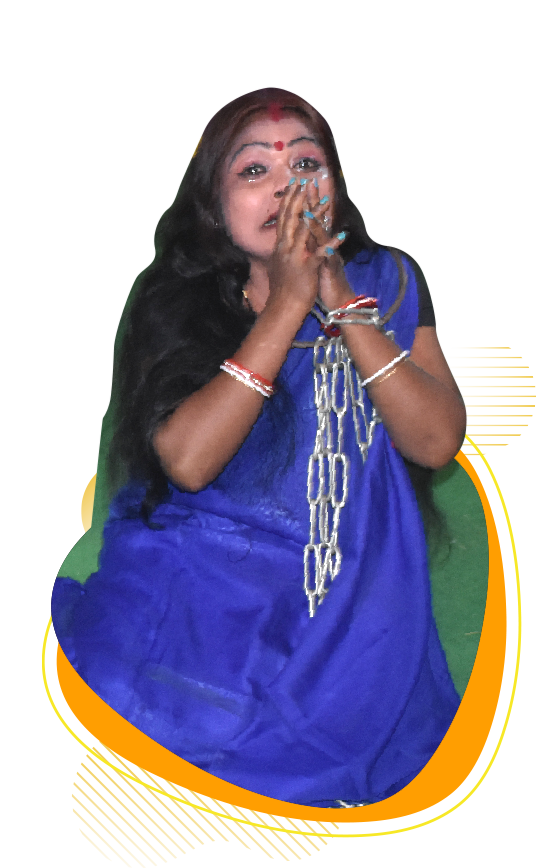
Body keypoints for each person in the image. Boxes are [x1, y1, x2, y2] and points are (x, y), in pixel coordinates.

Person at [51, 95, 489, 810]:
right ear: (214, 207)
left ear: (335, 188)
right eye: (255, 170)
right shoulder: (177, 300)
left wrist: (341, 301)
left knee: (343, 765)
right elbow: (189, 464)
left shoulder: (389, 282)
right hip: (198, 575)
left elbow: (437, 442)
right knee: (149, 748)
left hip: (345, 586)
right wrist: (287, 303)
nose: (287, 188)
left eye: (307, 165)